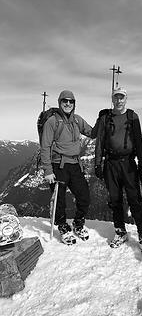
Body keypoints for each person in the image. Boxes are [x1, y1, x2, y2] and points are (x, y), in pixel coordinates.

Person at [94, 87, 142, 258]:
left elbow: (138, 142)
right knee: (115, 200)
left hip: (128, 163)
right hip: (111, 163)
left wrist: (141, 164)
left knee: (135, 200)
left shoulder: (132, 117)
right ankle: (120, 232)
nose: (119, 101)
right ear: (112, 99)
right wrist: (98, 164)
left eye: (122, 98)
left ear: (126, 99)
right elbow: (100, 142)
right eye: (116, 98)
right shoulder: (106, 117)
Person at [40, 90, 98, 245]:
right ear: (60, 103)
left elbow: (92, 133)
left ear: (74, 104)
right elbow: (45, 146)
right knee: (59, 200)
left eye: (71, 101)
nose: (67, 104)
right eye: (64, 101)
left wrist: (103, 119)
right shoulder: (52, 121)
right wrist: (48, 170)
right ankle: (63, 227)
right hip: (58, 165)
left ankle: (78, 223)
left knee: (84, 196)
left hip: (75, 165)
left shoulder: (77, 120)